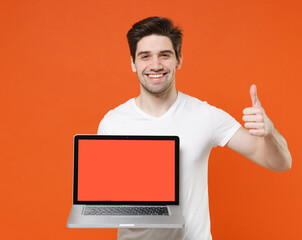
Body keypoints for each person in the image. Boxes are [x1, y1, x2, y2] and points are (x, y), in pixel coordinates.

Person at [97, 16, 292, 240]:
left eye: (164, 55)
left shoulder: (205, 115)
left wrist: (270, 132)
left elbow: (281, 163)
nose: (155, 65)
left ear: (179, 60)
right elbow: (107, 203)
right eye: (145, 56)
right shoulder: (113, 123)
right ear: (133, 63)